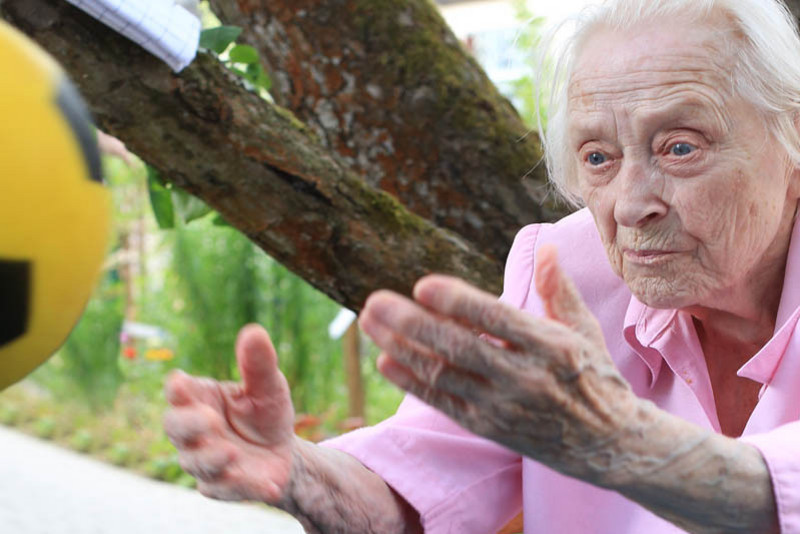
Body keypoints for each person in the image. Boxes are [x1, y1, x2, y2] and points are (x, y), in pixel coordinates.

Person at [162, 0, 800, 531]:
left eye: (680, 147)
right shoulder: (566, 270)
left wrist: (627, 448)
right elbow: (420, 483)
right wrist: (294, 471)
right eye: (598, 158)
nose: (631, 206)